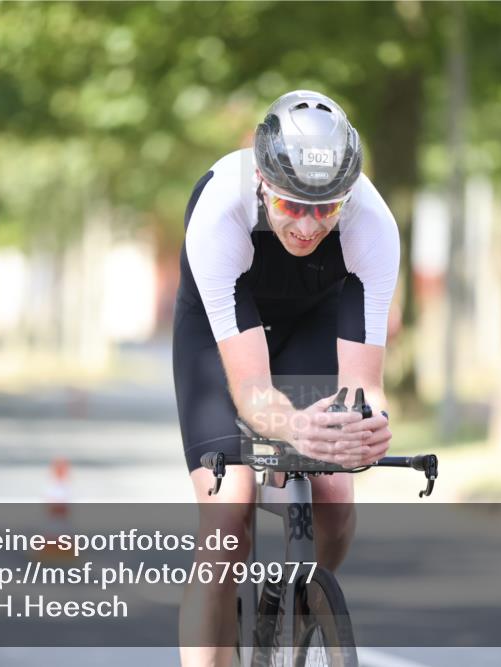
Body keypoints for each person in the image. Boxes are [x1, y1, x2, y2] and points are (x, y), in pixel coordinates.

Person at [172, 90, 400, 665]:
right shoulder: (220, 212)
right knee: (228, 521)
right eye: (291, 204)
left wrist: (370, 424)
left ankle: (298, 611)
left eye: (326, 209)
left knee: (336, 497)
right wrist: (295, 428)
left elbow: (366, 388)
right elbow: (252, 391)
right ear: (262, 182)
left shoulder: (373, 224)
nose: (306, 224)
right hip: (220, 327)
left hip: (314, 315)